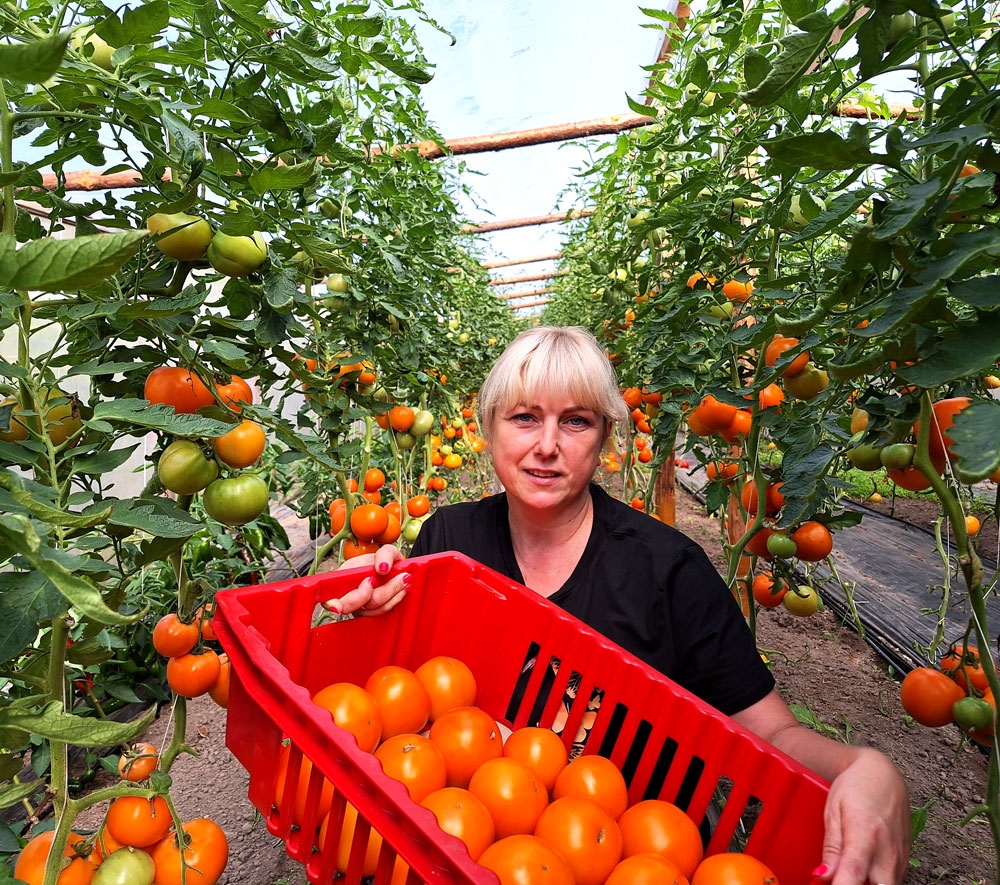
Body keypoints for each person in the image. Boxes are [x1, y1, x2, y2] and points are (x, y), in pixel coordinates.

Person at [328, 325, 911, 885]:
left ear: (605, 436)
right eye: (525, 417)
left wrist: (861, 768)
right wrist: (372, 609)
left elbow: (771, 736)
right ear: (489, 427)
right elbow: (404, 695)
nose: (547, 446)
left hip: (638, 855)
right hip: (471, 842)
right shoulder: (449, 541)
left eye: (575, 421)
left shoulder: (668, 570)